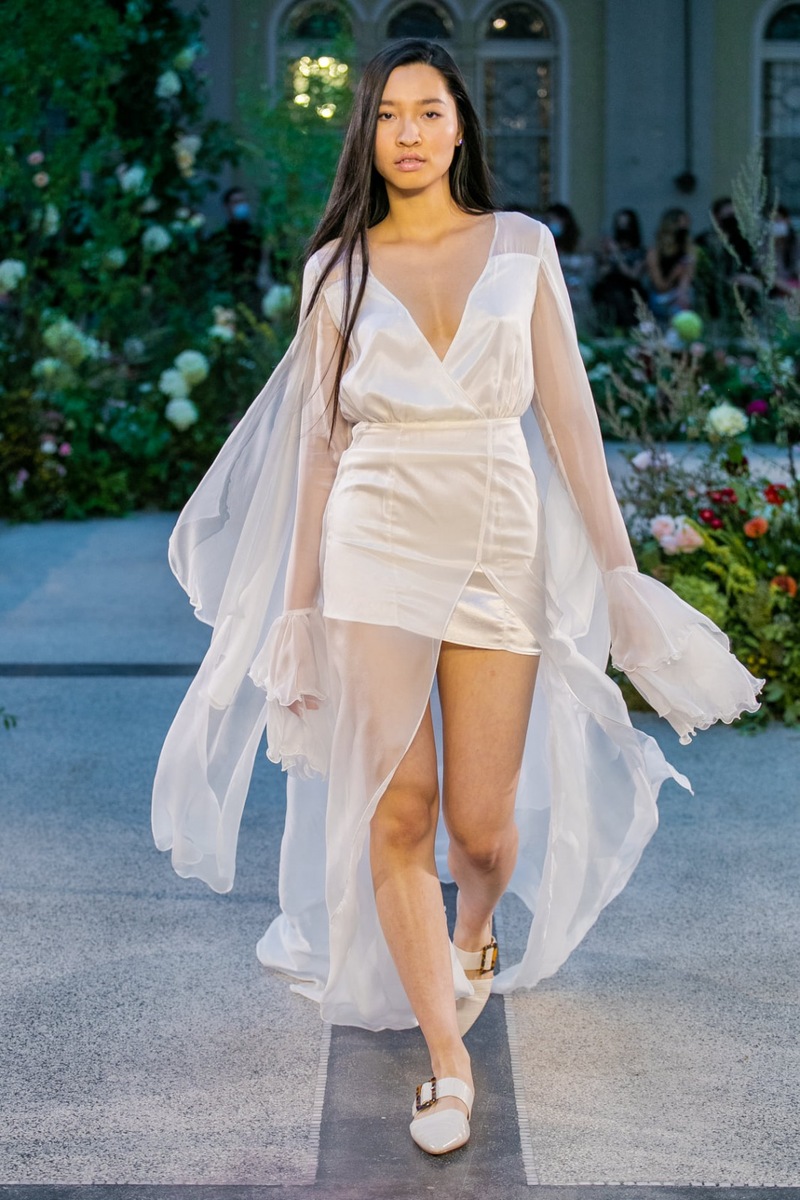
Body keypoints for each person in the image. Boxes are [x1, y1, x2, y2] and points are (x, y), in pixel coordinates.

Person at [152, 39, 763, 1157]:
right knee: (397, 812)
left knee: (479, 831)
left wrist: (620, 573)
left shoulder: (522, 248)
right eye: (389, 114)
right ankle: (447, 1061)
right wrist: (298, 610)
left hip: (495, 536)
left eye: (429, 112)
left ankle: (473, 926)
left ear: (460, 128)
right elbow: (319, 448)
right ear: (368, 133)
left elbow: (569, 423)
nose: (409, 133)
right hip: (374, 536)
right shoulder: (336, 268)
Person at [207, 185, 265, 308]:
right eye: (236, 202)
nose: (241, 205)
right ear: (227, 206)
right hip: (227, 292)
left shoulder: (256, 235)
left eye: (243, 201)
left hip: (251, 290)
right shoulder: (220, 238)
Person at [592, 208, 647, 330]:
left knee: (619, 296)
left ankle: (630, 329)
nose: (622, 229)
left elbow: (633, 275)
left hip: (630, 289)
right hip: (608, 289)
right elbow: (600, 276)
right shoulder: (609, 249)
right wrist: (606, 256)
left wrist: (617, 254)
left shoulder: (639, 252)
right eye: (619, 224)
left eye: (625, 225)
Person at [543, 201, 595, 329]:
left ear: (564, 220)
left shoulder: (579, 244)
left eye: (552, 219)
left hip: (577, 293)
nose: (550, 223)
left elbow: (588, 269)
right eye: (548, 220)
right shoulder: (546, 242)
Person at [645, 207, 696, 321]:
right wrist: (674, 274)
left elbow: (688, 279)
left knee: (684, 300)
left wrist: (681, 290)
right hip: (661, 296)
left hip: (682, 296)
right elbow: (660, 286)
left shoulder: (688, 248)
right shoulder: (654, 252)